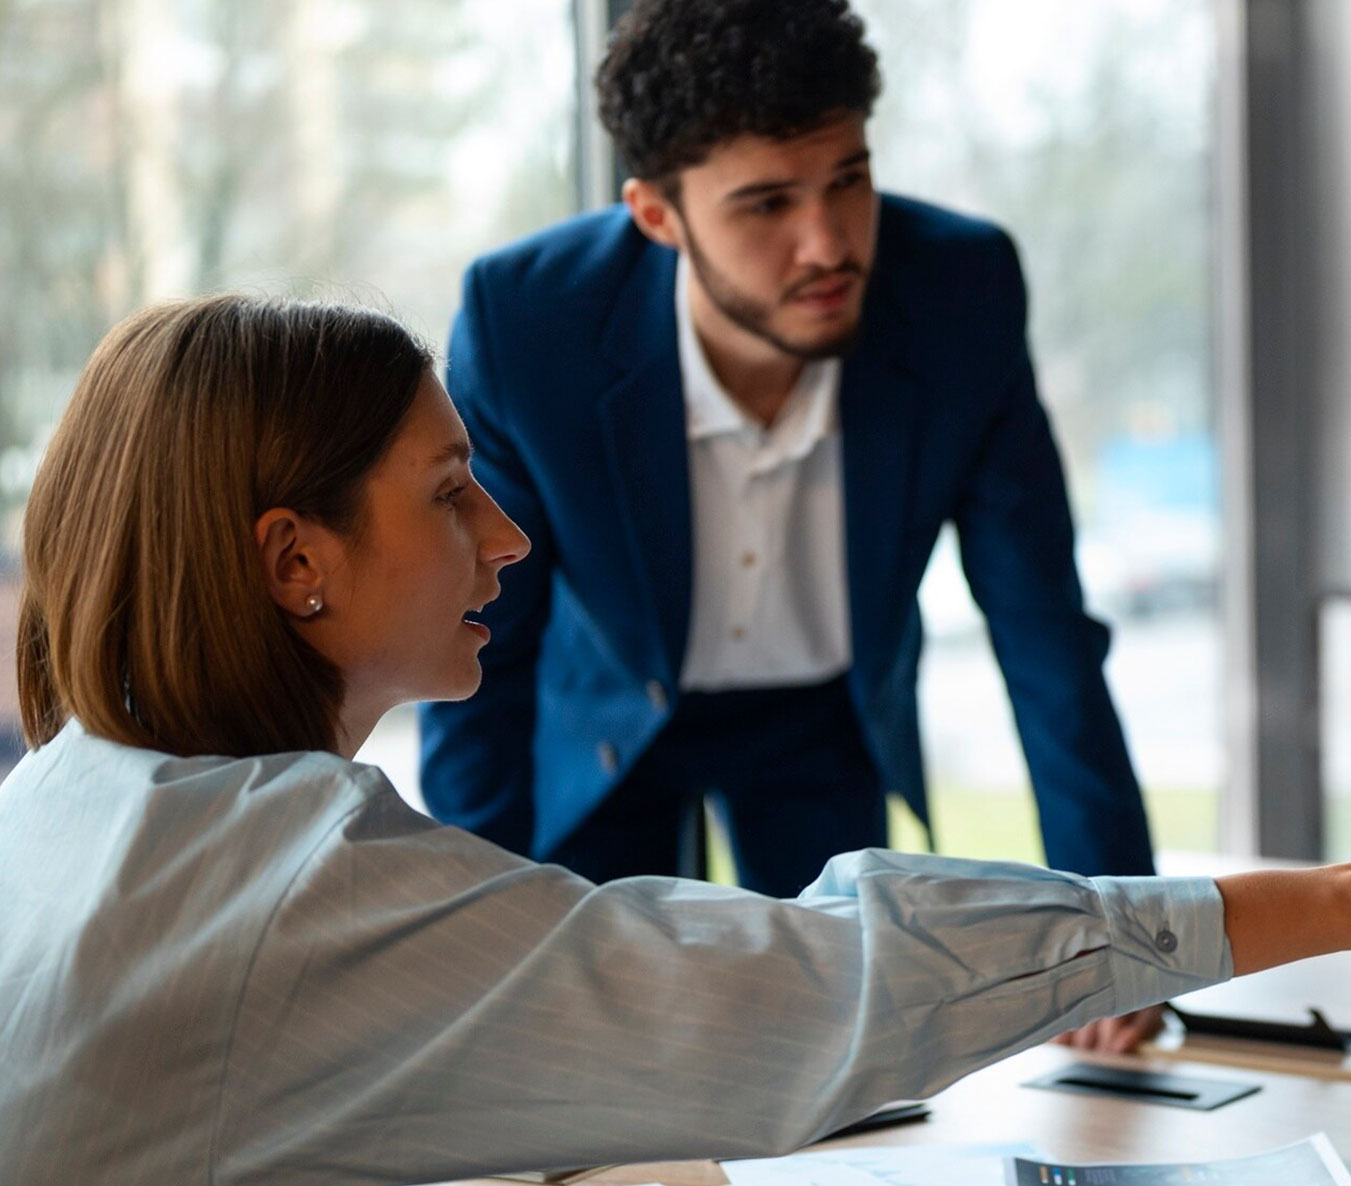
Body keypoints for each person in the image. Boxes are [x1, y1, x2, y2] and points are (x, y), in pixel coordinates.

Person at [0, 294, 1351, 1186]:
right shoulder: (278, 883)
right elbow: (806, 989)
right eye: (447, 493)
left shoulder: (79, 801)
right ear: (295, 564)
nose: (506, 538)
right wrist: (1341, 901)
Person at [418, 0, 1155, 957]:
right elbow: (485, 646)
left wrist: (1121, 927)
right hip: (607, 725)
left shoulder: (958, 293)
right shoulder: (530, 323)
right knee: (594, 1035)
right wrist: (474, 933)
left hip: (825, 720)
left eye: (849, 181)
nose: (830, 244)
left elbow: (1043, 632)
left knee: (850, 1047)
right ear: (656, 214)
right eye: (768, 203)